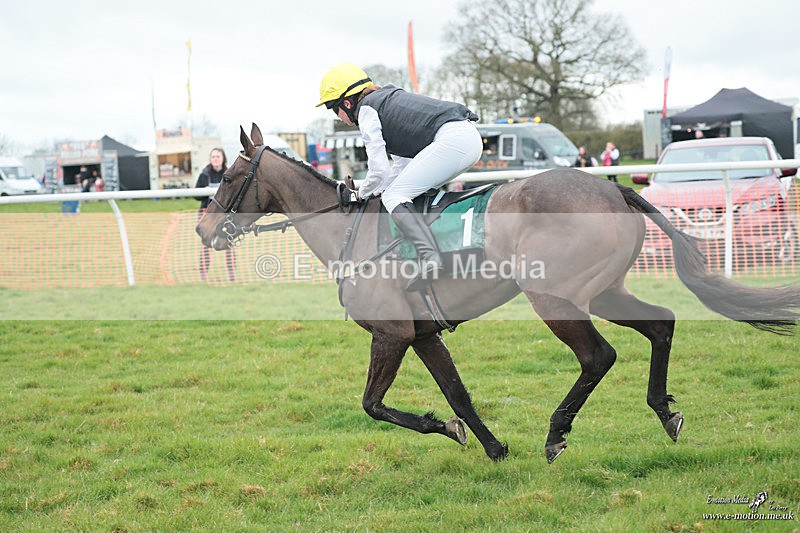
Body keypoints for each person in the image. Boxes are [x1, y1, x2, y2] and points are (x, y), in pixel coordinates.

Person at [317, 62, 482, 291]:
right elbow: (400, 167)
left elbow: (378, 169)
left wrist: (360, 194)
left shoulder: (366, 110)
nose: (339, 118)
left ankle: (431, 258)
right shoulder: (386, 102)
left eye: (336, 111)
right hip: (465, 137)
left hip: (454, 140)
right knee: (401, 193)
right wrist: (379, 191)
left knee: (394, 197)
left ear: (347, 102)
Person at [195, 148, 236, 283]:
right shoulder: (204, 175)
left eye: (218, 156)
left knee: (228, 244)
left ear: (223, 158)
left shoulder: (229, 174)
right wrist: (204, 192)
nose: (215, 159)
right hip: (207, 214)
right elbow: (196, 196)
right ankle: (203, 276)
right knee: (206, 246)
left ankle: (231, 276)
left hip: (225, 215)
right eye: (213, 157)